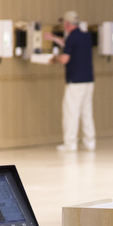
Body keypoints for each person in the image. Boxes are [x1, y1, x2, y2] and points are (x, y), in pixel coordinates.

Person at [45, 11, 95, 152]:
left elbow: (65, 58)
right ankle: (89, 141)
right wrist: (54, 38)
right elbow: (68, 44)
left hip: (75, 81)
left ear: (67, 24)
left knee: (71, 112)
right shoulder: (85, 36)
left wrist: (55, 59)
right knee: (86, 111)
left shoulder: (72, 38)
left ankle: (70, 143)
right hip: (88, 80)